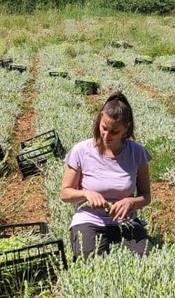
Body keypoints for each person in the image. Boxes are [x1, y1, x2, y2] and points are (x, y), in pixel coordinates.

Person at [59, 92, 152, 259]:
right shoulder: (81, 151)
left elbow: (146, 196)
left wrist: (131, 202)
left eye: (114, 131)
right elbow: (65, 193)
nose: (106, 136)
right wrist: (86, 193)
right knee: (89, 259)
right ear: (99, 121)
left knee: (145, 258)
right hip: (89, 219)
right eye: (104, 128)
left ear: (126, 128)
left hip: (126, 221)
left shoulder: (137, 153)